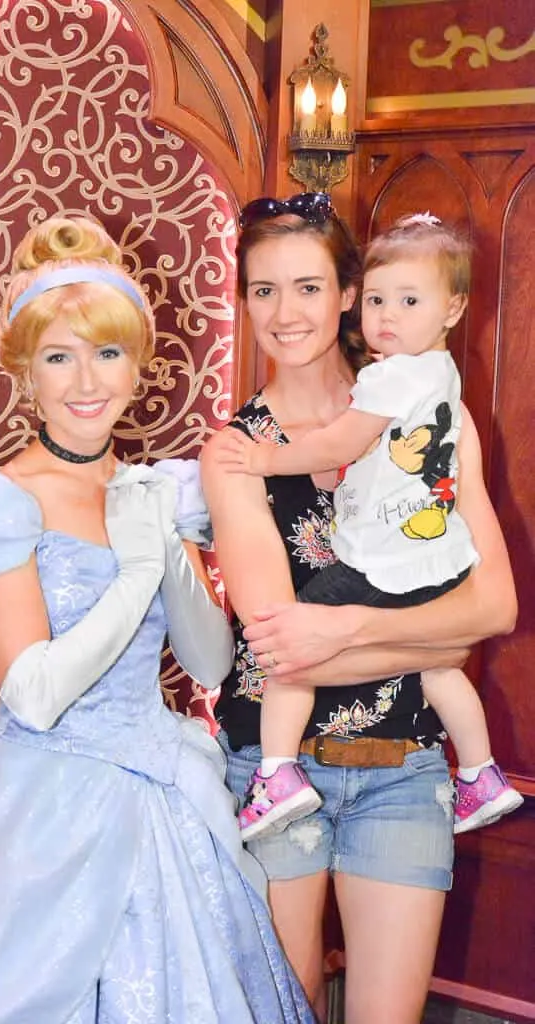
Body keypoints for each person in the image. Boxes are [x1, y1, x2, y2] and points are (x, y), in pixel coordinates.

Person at [0, 215, 313, 1022]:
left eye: (106, 353)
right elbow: (32, 697)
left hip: (161, 791)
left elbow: (207, 664)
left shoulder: (157, 492)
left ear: (137, 365)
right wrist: (137, 573)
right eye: (57, 357)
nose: (85, 381)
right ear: (25, 373)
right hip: (38, 803)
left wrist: (167, 546)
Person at [200, 192, 517, 1023]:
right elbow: (281, 647)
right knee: (286, 1007)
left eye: (306, 286)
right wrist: (429, 643)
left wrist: (349, 625)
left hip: (402, 766)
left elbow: (494, 604)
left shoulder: (428, 416)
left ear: (348, 293)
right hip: (277, 766)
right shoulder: (237, 452)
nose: (283, 311)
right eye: (261, 290)